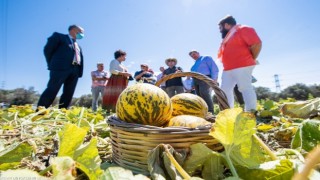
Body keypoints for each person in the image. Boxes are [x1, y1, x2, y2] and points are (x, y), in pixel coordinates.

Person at [218, 15, 262, 112]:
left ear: (227, 25)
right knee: (224, 90)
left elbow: (256, 44)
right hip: (227, 69)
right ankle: (228, 112)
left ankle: (251, 112)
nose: (220, 30)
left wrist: (251, 58)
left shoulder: (243, 29)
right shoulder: (228, 37)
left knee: (245, 87)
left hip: (242, 65)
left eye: (220, 27)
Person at [37, 25, 85, 109]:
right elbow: (47, 50)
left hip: (75, 70)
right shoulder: (59, 37)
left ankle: (63, 111)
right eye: (81, 32)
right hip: (60, 68)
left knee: (69, 92)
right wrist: (52, 64)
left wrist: (78, 71)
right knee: (53, 89)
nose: (82, 34)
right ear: (73, 30)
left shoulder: (78, 46)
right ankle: (41, 111)